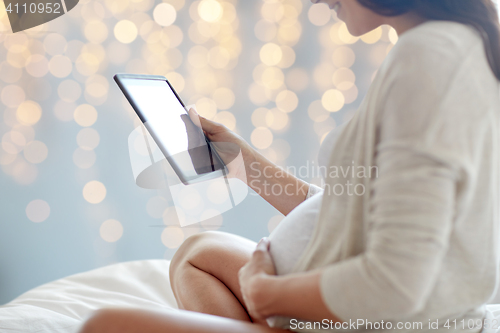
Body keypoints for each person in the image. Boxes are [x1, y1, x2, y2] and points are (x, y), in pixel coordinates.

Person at [79, 0, 500, 332]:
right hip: (388, 310)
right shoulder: (454, 45)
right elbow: (354, 211)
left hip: (394, 321)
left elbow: (396, 284)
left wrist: (268, 295)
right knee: (197, 251)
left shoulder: (428, 60)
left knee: (103, 326)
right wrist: (243, 162)